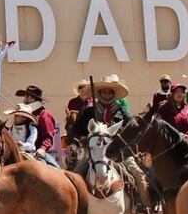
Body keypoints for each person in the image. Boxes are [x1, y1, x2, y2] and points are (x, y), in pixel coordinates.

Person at [72, 75, 148, 206]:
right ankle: (78, 210)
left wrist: (125, 133)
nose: (107, 96)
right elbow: (77, 129)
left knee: (137, 174)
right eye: (104, 93)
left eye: (109, 93)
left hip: (118, 152)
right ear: (99, 94)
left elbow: (132, 128)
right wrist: (85, 138)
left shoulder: (120, 111)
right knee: (76, 175)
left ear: (113, 95)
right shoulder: (90, 111)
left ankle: (142, 206)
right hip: (95, 153)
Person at [15, 85, 61, 168]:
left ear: (30, 98)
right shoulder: (24, 113)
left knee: (56, 170)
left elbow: (48, 136)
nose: (23, 99)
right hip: (20, 149)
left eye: (25, 96)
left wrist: (43, 148)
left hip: (37, 152)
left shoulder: (44, 114)